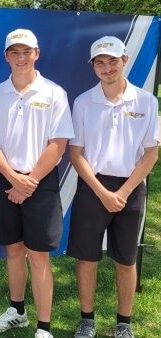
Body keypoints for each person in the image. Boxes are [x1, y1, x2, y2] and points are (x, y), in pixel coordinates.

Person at [0, 28, 74, 338]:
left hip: (40, 183)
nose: (21, 58)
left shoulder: (54, 93)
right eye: (14, 52)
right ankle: (17, 312)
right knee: (14, 250)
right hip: (5, 180)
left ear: (37, 54)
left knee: (39, 255)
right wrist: (13, 179)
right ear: (6, 56)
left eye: (26, 52)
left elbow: (57, 144)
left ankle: (44, 327)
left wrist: (28, 182)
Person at [68, 36, 159, 338]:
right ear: (93, 66)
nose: (107, 68)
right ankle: (87, 320)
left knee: (126, 259)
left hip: (130, 188)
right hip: (93, 187)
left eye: (112, 61)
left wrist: (122, 192)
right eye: (100, 62)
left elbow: (150, 154)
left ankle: (124, 324)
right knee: (87, 256)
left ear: (125, 61)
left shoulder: (147, 101)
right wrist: (102, 192)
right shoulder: (83, 102)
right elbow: (76, 153)